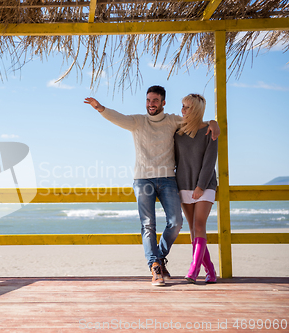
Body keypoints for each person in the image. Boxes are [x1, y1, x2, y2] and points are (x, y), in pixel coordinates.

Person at [84, 86, 219, 287]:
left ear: (163, 102)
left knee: (176, 223)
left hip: (168, 179)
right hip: (143, 180)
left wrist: (214, 123)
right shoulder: (138, 121)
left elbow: (197, 121)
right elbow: (118, 117)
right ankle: (155, 265)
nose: (151, 104)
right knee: (148, 225)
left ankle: (158, 257)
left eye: (155, 100)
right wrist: (100, 108)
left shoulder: (174, 121)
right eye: (148, 100)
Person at [174, 93, 218, 284]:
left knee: (199, 225)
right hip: (183, 184)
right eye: (182, 106)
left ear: (196, 110)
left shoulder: (209, 131)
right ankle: (211, 272)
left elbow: (210, 161)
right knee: (193, 229)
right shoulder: (178, 133)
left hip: (205, 185)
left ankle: (193, 270)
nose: (182, 110)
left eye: (187, 107)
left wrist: (200, 186)